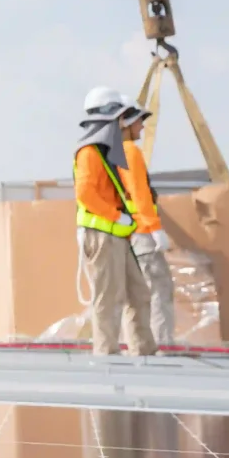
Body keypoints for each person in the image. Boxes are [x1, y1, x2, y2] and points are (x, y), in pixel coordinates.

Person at [74, 88, 157, 357]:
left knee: (139, 294)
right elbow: (85, 194)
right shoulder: (89, 152)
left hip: (116, 235)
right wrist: (116, 216)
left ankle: (143, 352)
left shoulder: (106, 152)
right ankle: (106, 356)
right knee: (109, 299)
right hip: (102, 235)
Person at [118, 107, 175, 347]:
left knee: (135, 296)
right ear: (127, 124)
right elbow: (140, 193)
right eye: (139, 122)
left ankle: (138, 345)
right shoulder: (130, 151)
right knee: (158, 290)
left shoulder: (110, 153)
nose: (142, 127)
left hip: (126, 232)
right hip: (142, 232)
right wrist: (154, 228)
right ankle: (160, 344)